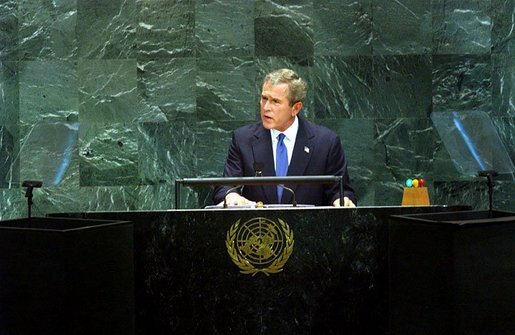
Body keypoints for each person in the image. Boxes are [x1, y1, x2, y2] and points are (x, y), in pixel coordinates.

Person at [212, 68, 356, 207]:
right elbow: (226, 186)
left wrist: (342, 199)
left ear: (296, 108)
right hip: (260, 228)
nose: (266, 107)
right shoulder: (243, 139)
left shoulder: (326, 143)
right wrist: (231, 195)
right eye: (264, 98)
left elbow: (341, 191)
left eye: (275, 101)